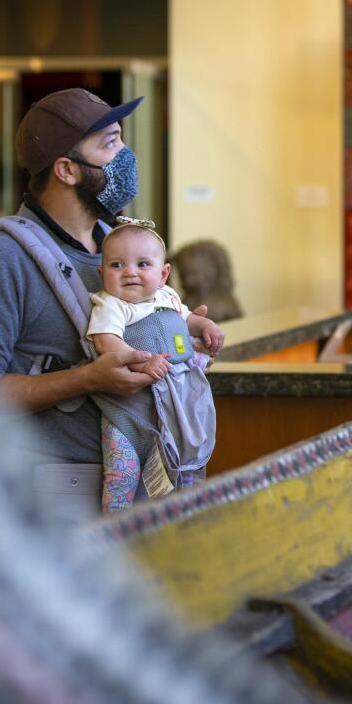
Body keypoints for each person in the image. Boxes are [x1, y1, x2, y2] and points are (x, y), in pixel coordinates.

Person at [0, 87, 203, 524]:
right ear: (66, 169)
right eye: (110, 144)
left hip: (143, 491)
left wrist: (181, 340)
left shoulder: (116, 248)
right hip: (56, 508)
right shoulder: (2, 256)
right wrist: (85, 379)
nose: (126, 155)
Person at [87, 218, 223, 509]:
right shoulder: (111, 305)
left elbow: (188, 319)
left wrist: (206, 326)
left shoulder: (168, 297)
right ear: (102, 273)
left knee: (183, 465)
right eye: (117, 265)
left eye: (142, 264)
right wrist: (141, 363)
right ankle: (116, 533)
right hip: (129, 410)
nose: (130, 273)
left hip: (176, 405)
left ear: (163, 274)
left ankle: (183, 521)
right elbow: (106, 342)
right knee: (122, 474)